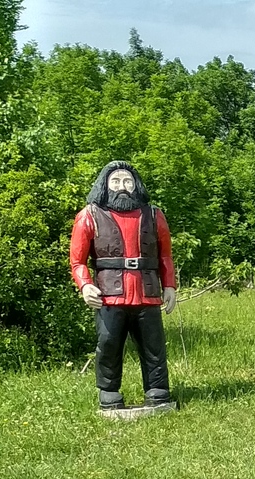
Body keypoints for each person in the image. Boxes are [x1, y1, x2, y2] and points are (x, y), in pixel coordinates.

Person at [69, 161, 178, 411]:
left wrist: (169, 285)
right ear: (105, 185)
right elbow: (77, 260)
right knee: (108, 343)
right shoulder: (89, 215)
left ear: (136, 185)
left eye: (127, 181)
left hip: (147, 293)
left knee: (154, 344)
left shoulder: (153, 215)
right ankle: (109, 391)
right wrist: (85, 285)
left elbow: (165, 256)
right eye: (116, 181)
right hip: (109, 295)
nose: (122, 187)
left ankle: (157, 389)